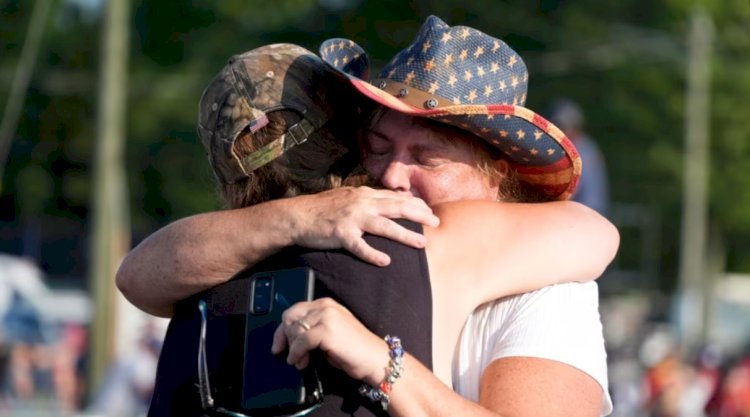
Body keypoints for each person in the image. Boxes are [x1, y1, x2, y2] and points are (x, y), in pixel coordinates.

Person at [120, 16, 618, 417]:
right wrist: (303, 216)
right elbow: (137, 275)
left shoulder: (550, 290)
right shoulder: (316, 237)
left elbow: (138, 275)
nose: (394, 176)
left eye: (427, 158)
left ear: (496, 173)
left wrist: (385, 365)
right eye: (377, 147)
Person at [547, 98, 610, 216]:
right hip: (587, 214)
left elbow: (569, 193)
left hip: (584, 216)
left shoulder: (581, 152)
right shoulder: (587, 146)